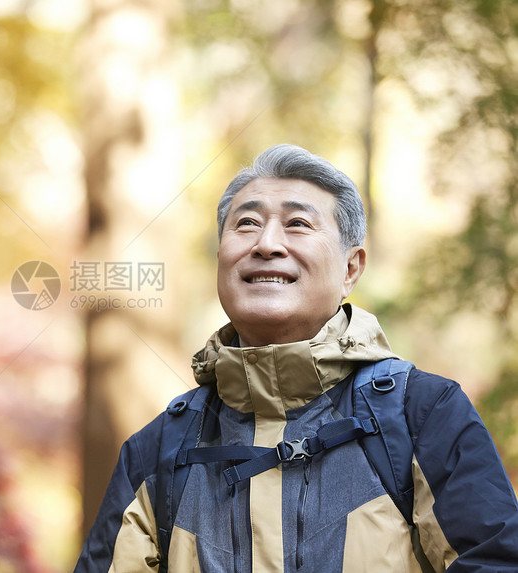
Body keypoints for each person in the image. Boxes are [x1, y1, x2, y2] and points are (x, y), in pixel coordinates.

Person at [74, 144, 518, 572]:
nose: (266, 243)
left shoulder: (422, 415)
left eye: (298, 224)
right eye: (246, 223)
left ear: (351, 268)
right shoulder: (155, 452)